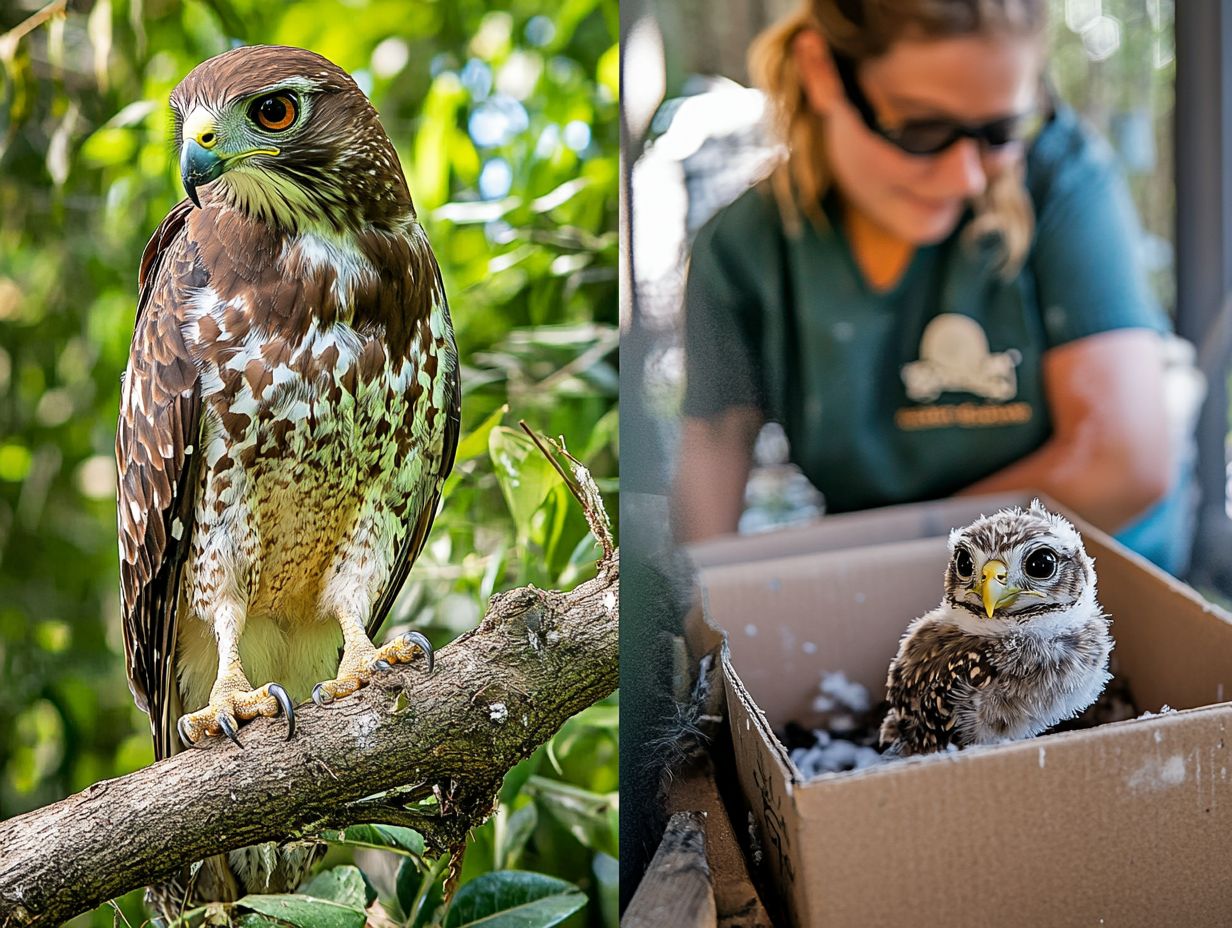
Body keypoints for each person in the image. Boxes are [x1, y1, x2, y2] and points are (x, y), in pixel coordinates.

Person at [673, 0, 1188, 573]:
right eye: (922, 130)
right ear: (820, 70)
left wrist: (883, 569)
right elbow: (713, 450)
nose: (965, 176)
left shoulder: (1064, 180)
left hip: (1080, 592)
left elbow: (1121, 464)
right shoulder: (744, 248)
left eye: (1000, 132)